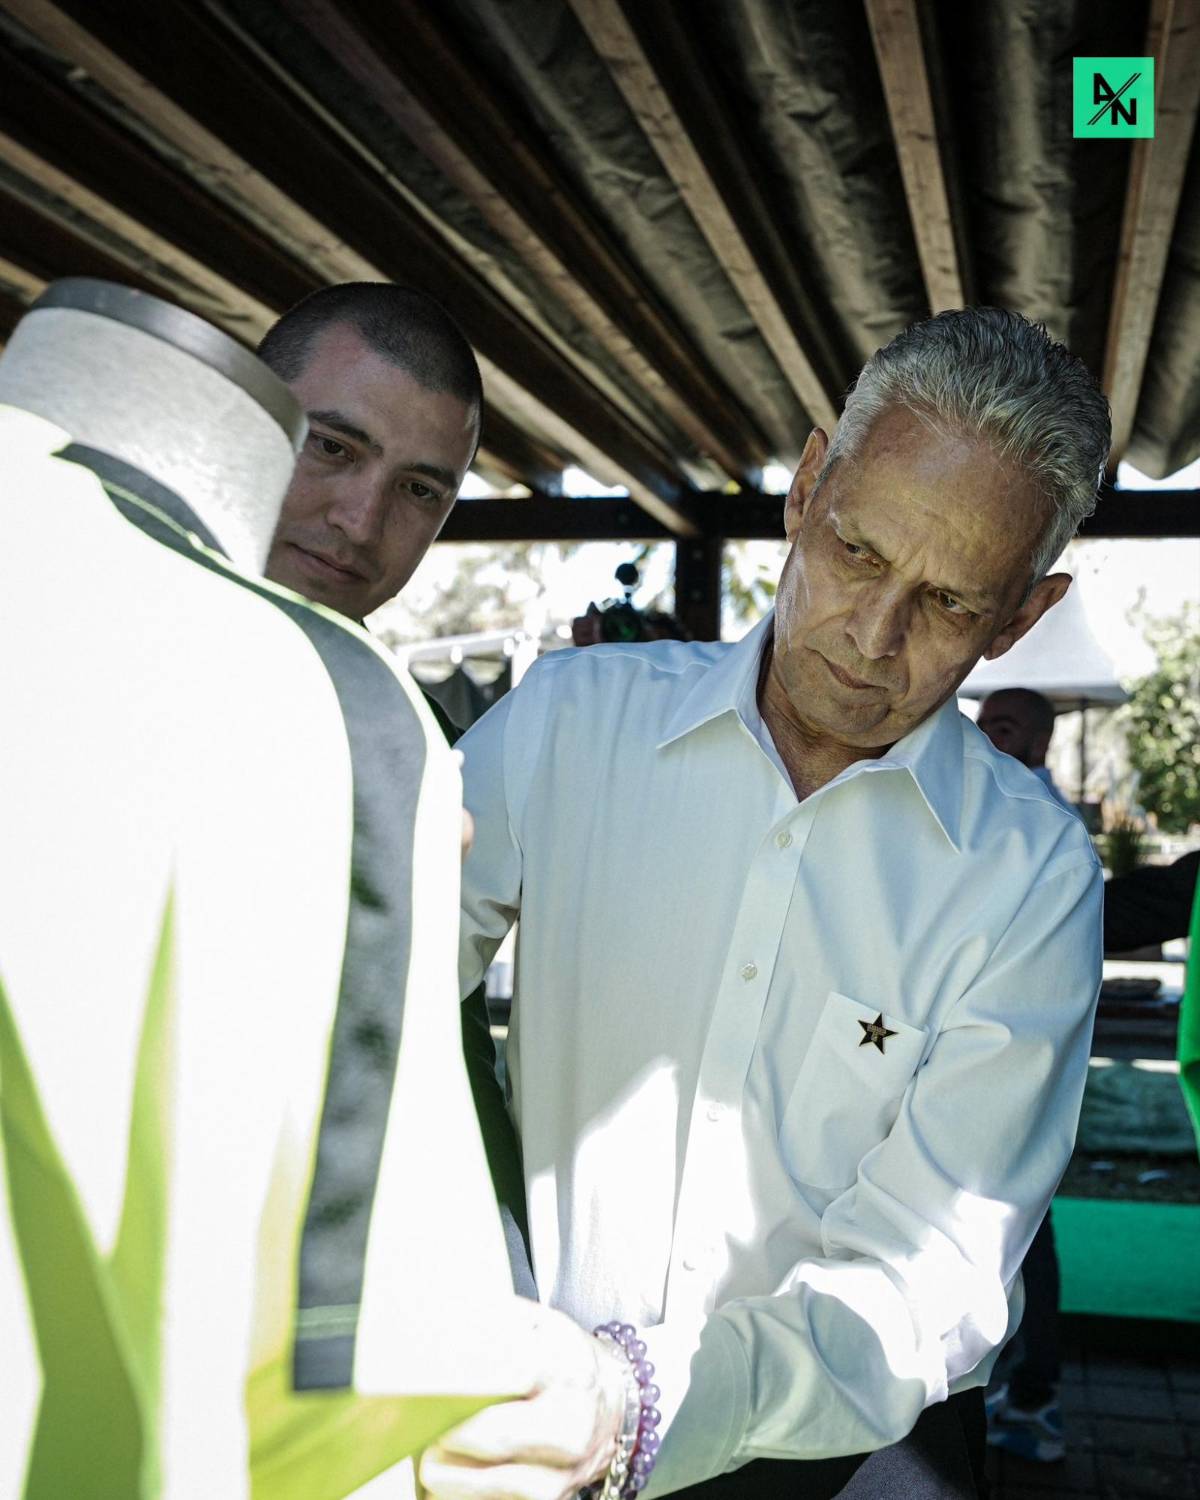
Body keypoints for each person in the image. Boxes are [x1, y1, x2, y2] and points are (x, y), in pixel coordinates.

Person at [450, 308, 1110, 1500]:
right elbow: (355, 988)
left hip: (832, 1466)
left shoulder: (1030, 880)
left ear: (1021, 615)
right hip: (508, 1416)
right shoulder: (570, 725)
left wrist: (641, 1403)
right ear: (807, 488)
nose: (873, 636)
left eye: (951, 605)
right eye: (859, 552)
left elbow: (932, 1274)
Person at [256, 282, 534, 1298]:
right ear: (250, 410)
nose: (361, 519)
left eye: (421, 490)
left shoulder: (396, 735)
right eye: (331, 447)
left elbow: (436, 1060)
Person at [975, 687, 1077, 1463]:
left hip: (1017, 1068)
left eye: (1004, 730)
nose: (987, 740)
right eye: (983, 725)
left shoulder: (1049, 834)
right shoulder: (981, 804)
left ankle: (1032, 1390)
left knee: (1024, 1234)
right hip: (968, 1060)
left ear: (1040, 744)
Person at [977, 688, 1073, 810]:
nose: (984, 738)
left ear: (1040, 744)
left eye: (1003, 730)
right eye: (978, 730)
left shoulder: (1041, 809)